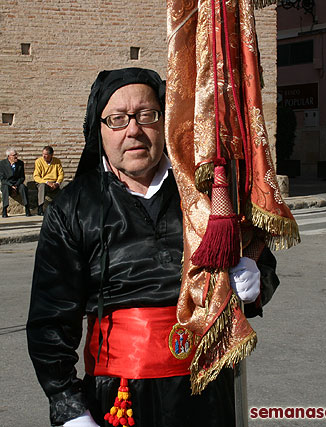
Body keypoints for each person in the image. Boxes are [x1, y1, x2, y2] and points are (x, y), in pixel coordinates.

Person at [26, 68, 279, 427]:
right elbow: (50, 319)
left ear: (165, 121)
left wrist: (254, 281)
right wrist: (69, 408)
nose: (133, 129)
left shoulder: (210, 196)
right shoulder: (73, 209)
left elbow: (261, 262)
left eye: (146, 115)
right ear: (98, 130)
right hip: (120, 397)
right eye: (117, 119)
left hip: (209, 390)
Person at [0, 148, 31, 217]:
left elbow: (22, 177)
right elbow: (2, 179)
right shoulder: (1, 164)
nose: (16, 157)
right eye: (14, 155)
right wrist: (11, 185)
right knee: (5, 188)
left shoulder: (20, 163)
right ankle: (5, 209)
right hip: (7, 184)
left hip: (17, 183)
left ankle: (27, 208)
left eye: (16, 154)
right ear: (9, 156)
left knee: (23, 187)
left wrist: (16, 185)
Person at [33, 146, 64, 215]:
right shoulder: (38, 161)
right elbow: (36, 177)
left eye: (46, 154)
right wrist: (47, 182)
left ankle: (66, 206)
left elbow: (61, 174)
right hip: (44, 182)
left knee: (66, 185)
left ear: (51, 155)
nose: (44, 156)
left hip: (55, 182)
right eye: (43, 154)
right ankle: (40, 207)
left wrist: (57, 183)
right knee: (42, 186)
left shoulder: (57, 161)